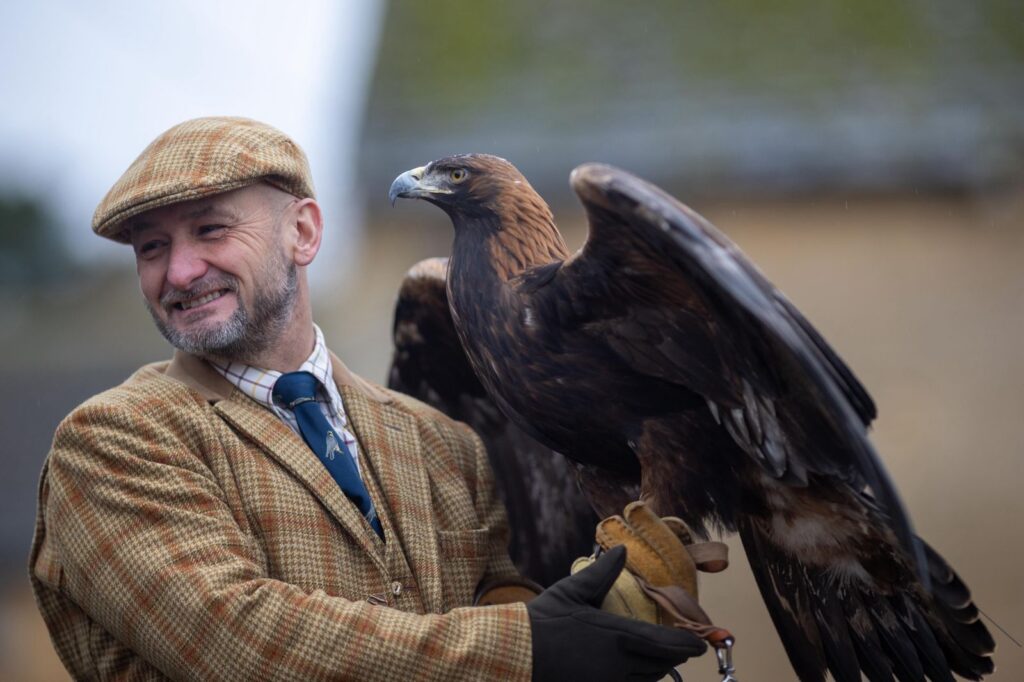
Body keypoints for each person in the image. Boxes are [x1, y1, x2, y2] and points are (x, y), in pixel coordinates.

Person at [29, 116, 706, 681]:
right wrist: (532, 645)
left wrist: (591, 615)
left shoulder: (442, 443)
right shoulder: (113, 443)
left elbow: (493, 605)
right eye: (152, 249)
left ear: (303, 233)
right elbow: (242, 644)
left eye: (210, 231)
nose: (178, 271)